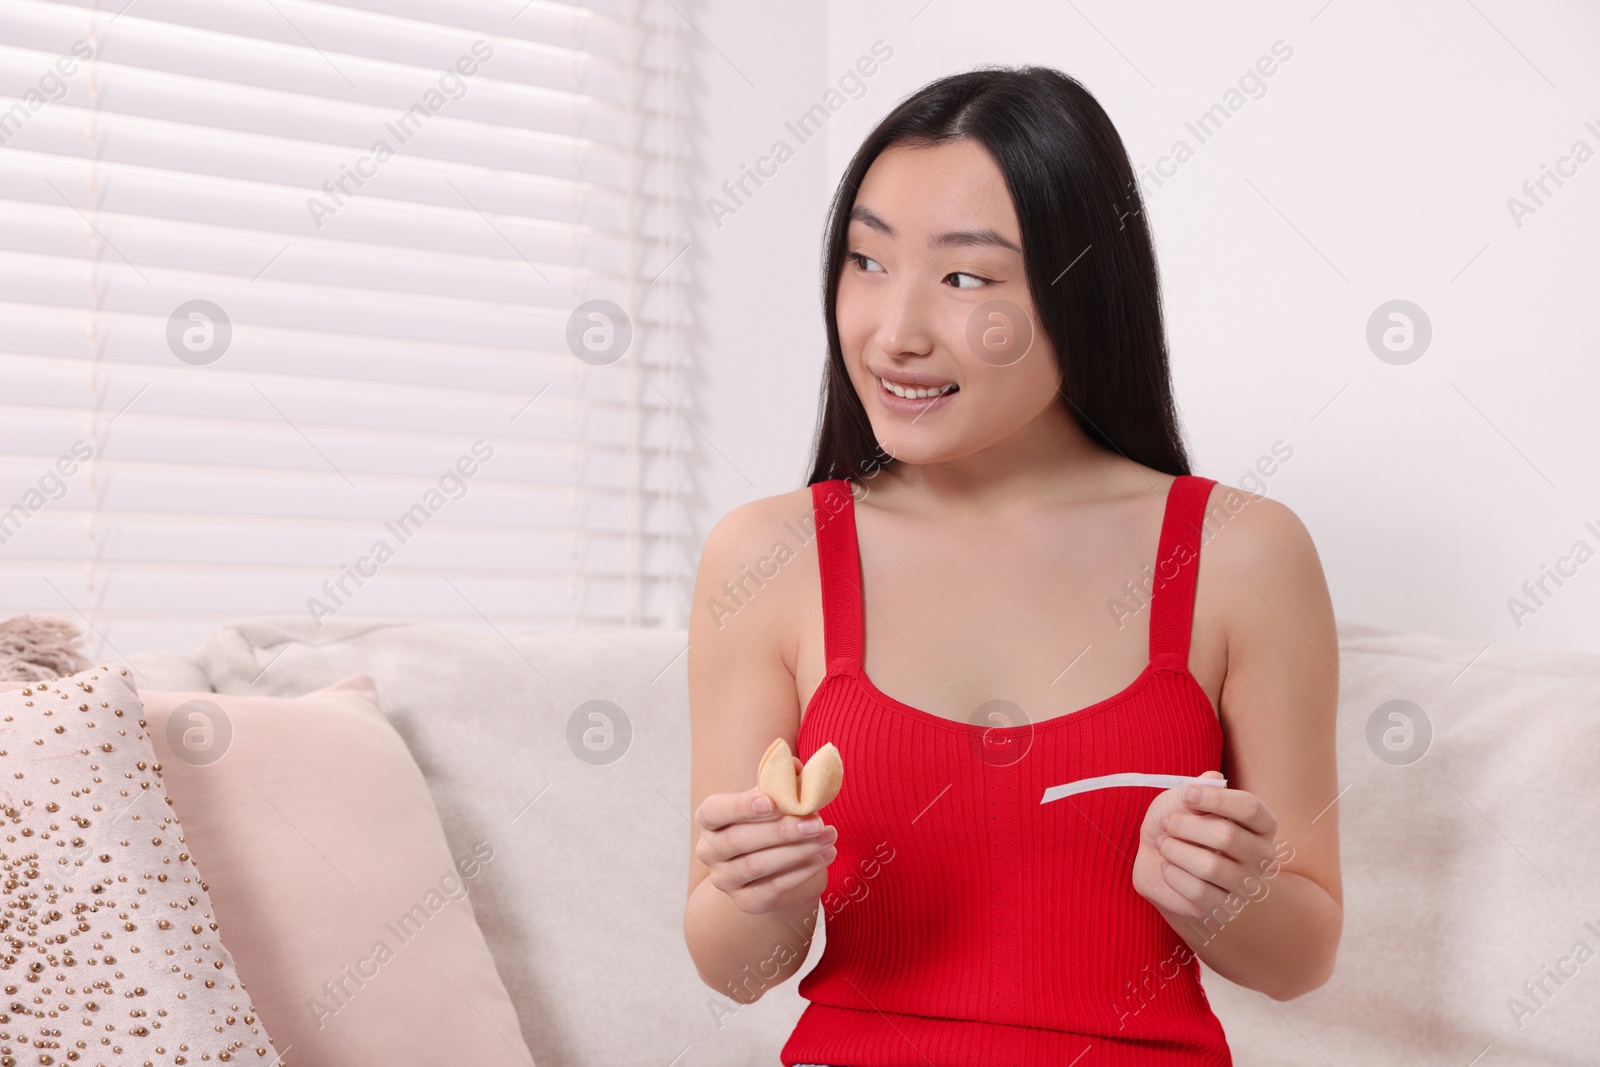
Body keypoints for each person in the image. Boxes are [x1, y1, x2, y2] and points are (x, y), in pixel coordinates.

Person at [683, 65, 1341, 1066]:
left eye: (963, 277)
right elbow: (732, 968)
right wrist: (758, 893)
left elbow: (1299, 957)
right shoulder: (766, 556)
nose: (893, 332)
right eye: (865, 261)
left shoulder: (1239, 552)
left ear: (1083, 288)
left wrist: (1227, 894)